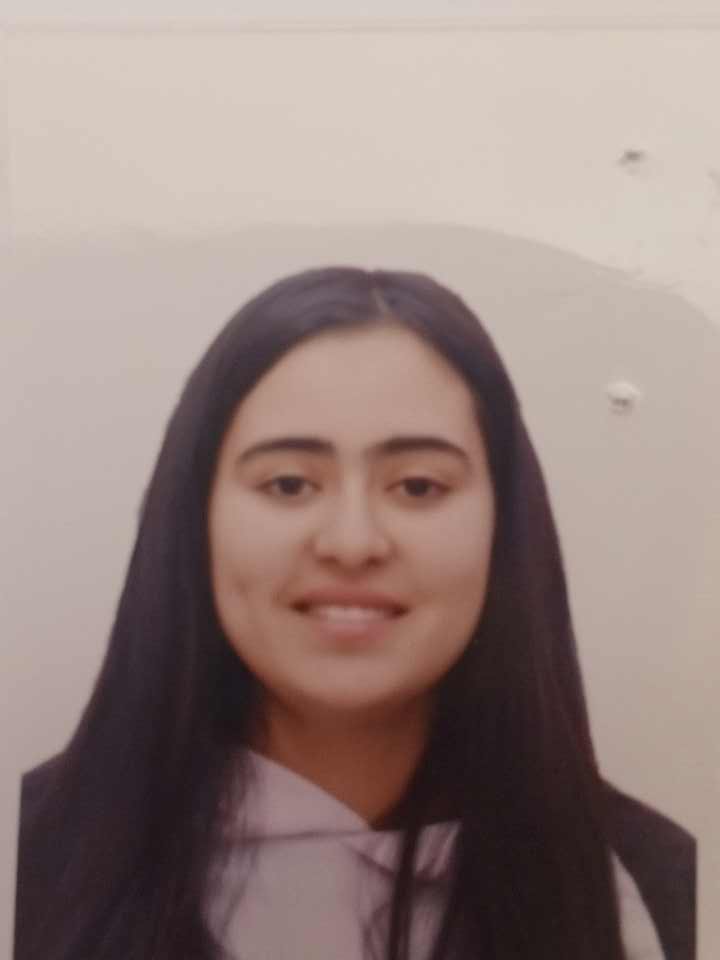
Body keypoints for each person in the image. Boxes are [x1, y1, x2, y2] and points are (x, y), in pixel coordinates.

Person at [14, 267, 695, 960]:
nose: (352, 542)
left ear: (505, 524)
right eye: (288, 484)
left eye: (418, 486)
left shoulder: (654, 883)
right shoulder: (29, 854)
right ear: (196, 518)